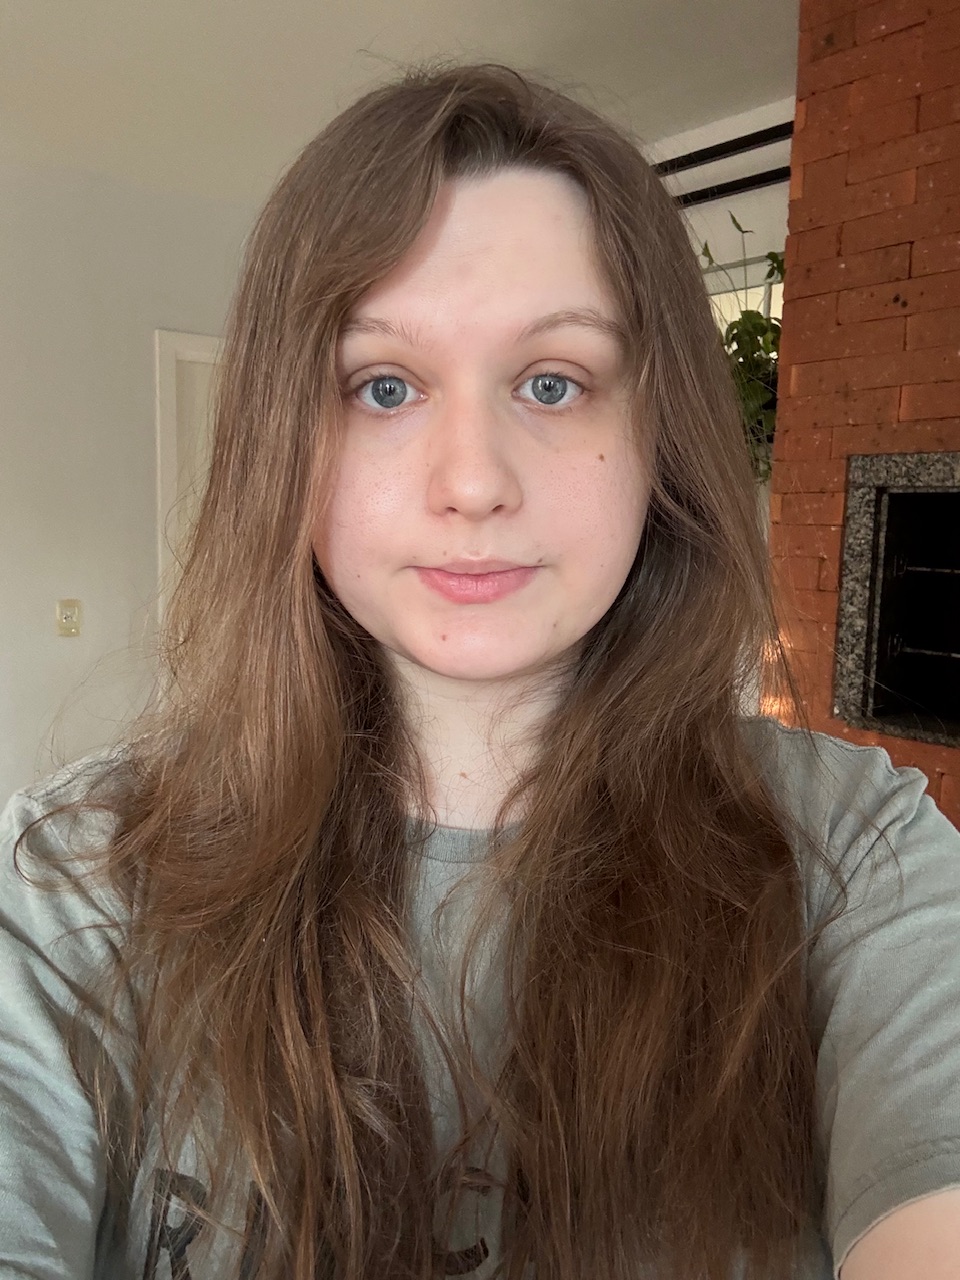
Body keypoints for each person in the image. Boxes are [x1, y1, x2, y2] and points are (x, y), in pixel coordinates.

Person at [1, 62, 959, 1280]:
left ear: (658, 435)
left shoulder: (857, 858)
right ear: (281, 437)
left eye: (553, 382)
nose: (472, 481)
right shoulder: (74, 884)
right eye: (383, 386)